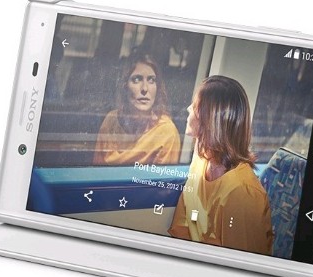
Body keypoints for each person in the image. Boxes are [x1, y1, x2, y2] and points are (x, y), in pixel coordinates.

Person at [169, 76, 273, 255]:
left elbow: (241, 264)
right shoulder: (201, 160)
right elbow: (183, 225)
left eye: (195, 106)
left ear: (210, 120)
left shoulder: (242, 193)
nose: (188, 109)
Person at [94, 53, 181, 165]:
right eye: (137, 79)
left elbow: (161, 176)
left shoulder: (166, 132)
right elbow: (95, 169)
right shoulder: (111, 121)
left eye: (151, 80)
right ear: (124, 86)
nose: (144, 88)